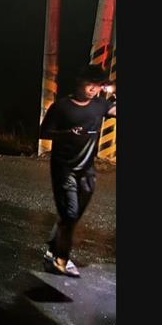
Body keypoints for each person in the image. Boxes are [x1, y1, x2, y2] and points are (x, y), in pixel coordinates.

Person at [39, 64, 117, 277]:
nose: (93, 90)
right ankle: (61, 259)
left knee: (71, 216)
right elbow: (44, 132)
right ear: (80, 83)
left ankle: (52, 250)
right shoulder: (62, 107)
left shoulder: (100, 105)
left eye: (97, 86)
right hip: (64, 168)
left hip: (87, 170)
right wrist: (66, 133)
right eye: (89, 85)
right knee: (70, 213)